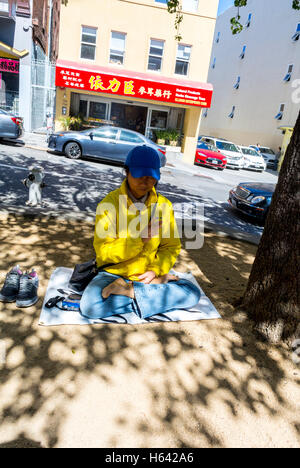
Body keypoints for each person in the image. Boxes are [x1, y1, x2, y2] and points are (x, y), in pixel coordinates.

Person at [80, 146, 201, 320]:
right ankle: (147, 294)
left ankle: (130, 292)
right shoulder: (109, 204)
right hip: (114, 274)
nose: (145, 181)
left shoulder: (164, 206)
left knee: (192, 293)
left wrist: (155, 271)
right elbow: (103, 253)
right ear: (126, 172)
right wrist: (138, 239)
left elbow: (171, 247)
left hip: (149, 277)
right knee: (90, 306)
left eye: (151, 176)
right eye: (140, 174)